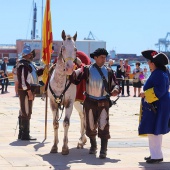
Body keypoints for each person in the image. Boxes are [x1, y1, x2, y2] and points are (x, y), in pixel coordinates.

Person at [70, 48, 121, 159]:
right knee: (90, 126)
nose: (104, 59)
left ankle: (103, 150)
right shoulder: (87, 69)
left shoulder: (109, 71)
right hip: (89, 102)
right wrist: (71, 72)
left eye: (105, 57)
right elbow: (75, 77)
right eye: (102, 57)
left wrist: (116, 90)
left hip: (104, 102)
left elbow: (115, 84)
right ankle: (93, 146)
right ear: (95, 58)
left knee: (104, 125)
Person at [139, 50, 170, 164]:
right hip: (158, 105)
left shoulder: (158, 73)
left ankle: (156, 156)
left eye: (148, 61)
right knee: (155, 131)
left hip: (156, 106)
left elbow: (160, 90)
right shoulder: (162, 72)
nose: (147, 63)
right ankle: (156, 154)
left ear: (153, 63)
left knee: (154, 131)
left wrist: (145, 94)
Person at [17, 44, 44, 140]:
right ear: (27, 55)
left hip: (29, 90)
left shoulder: (29, 64)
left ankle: (22, 133)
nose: (32, 55)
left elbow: (36, 75)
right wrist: (29, 92)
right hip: (25, 91)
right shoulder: (23, 65)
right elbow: (23, 81)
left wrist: (45, 69)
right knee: (26, 111)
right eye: (31, 54)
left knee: (25, 110)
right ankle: (25, 134)